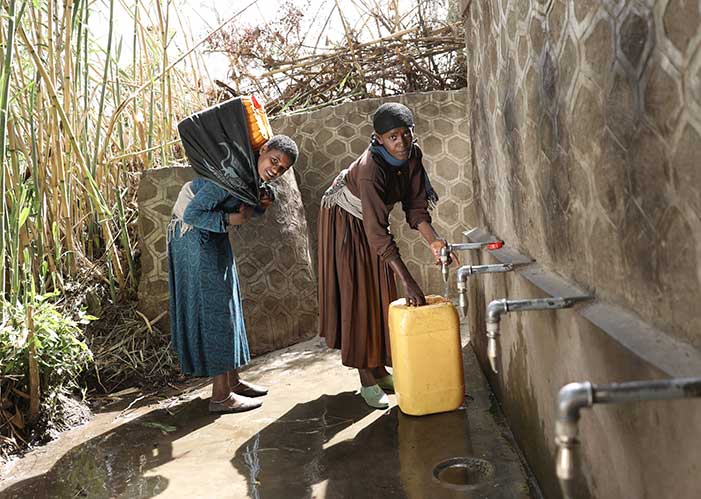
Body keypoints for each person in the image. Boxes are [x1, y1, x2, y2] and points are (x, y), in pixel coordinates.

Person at [317, 102, 456, 410]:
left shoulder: (412, 155)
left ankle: (380, 370)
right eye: (393, 136)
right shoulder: (371, 170)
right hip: (343, 219)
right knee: (358, 296)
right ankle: (366, 378)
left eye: (406, 133)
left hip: (368, 223)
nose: (401, 142)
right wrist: (409, 281)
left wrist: (434, 242)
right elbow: (378, 232)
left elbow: (416, 207)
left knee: (380, 293)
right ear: (378, 138)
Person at [168, 135, 299, 413]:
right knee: (217, 311)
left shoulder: (252, 176)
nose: (275, 170)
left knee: (229, 304)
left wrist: (260, 204)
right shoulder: (230, 174)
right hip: (192, 237)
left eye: (281, 168)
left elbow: (244, 207)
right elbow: (192, 214)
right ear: (262, 151)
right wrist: (230, 219)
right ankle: (220, 397)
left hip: (209, 236)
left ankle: (232, 382)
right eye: (273, 161)